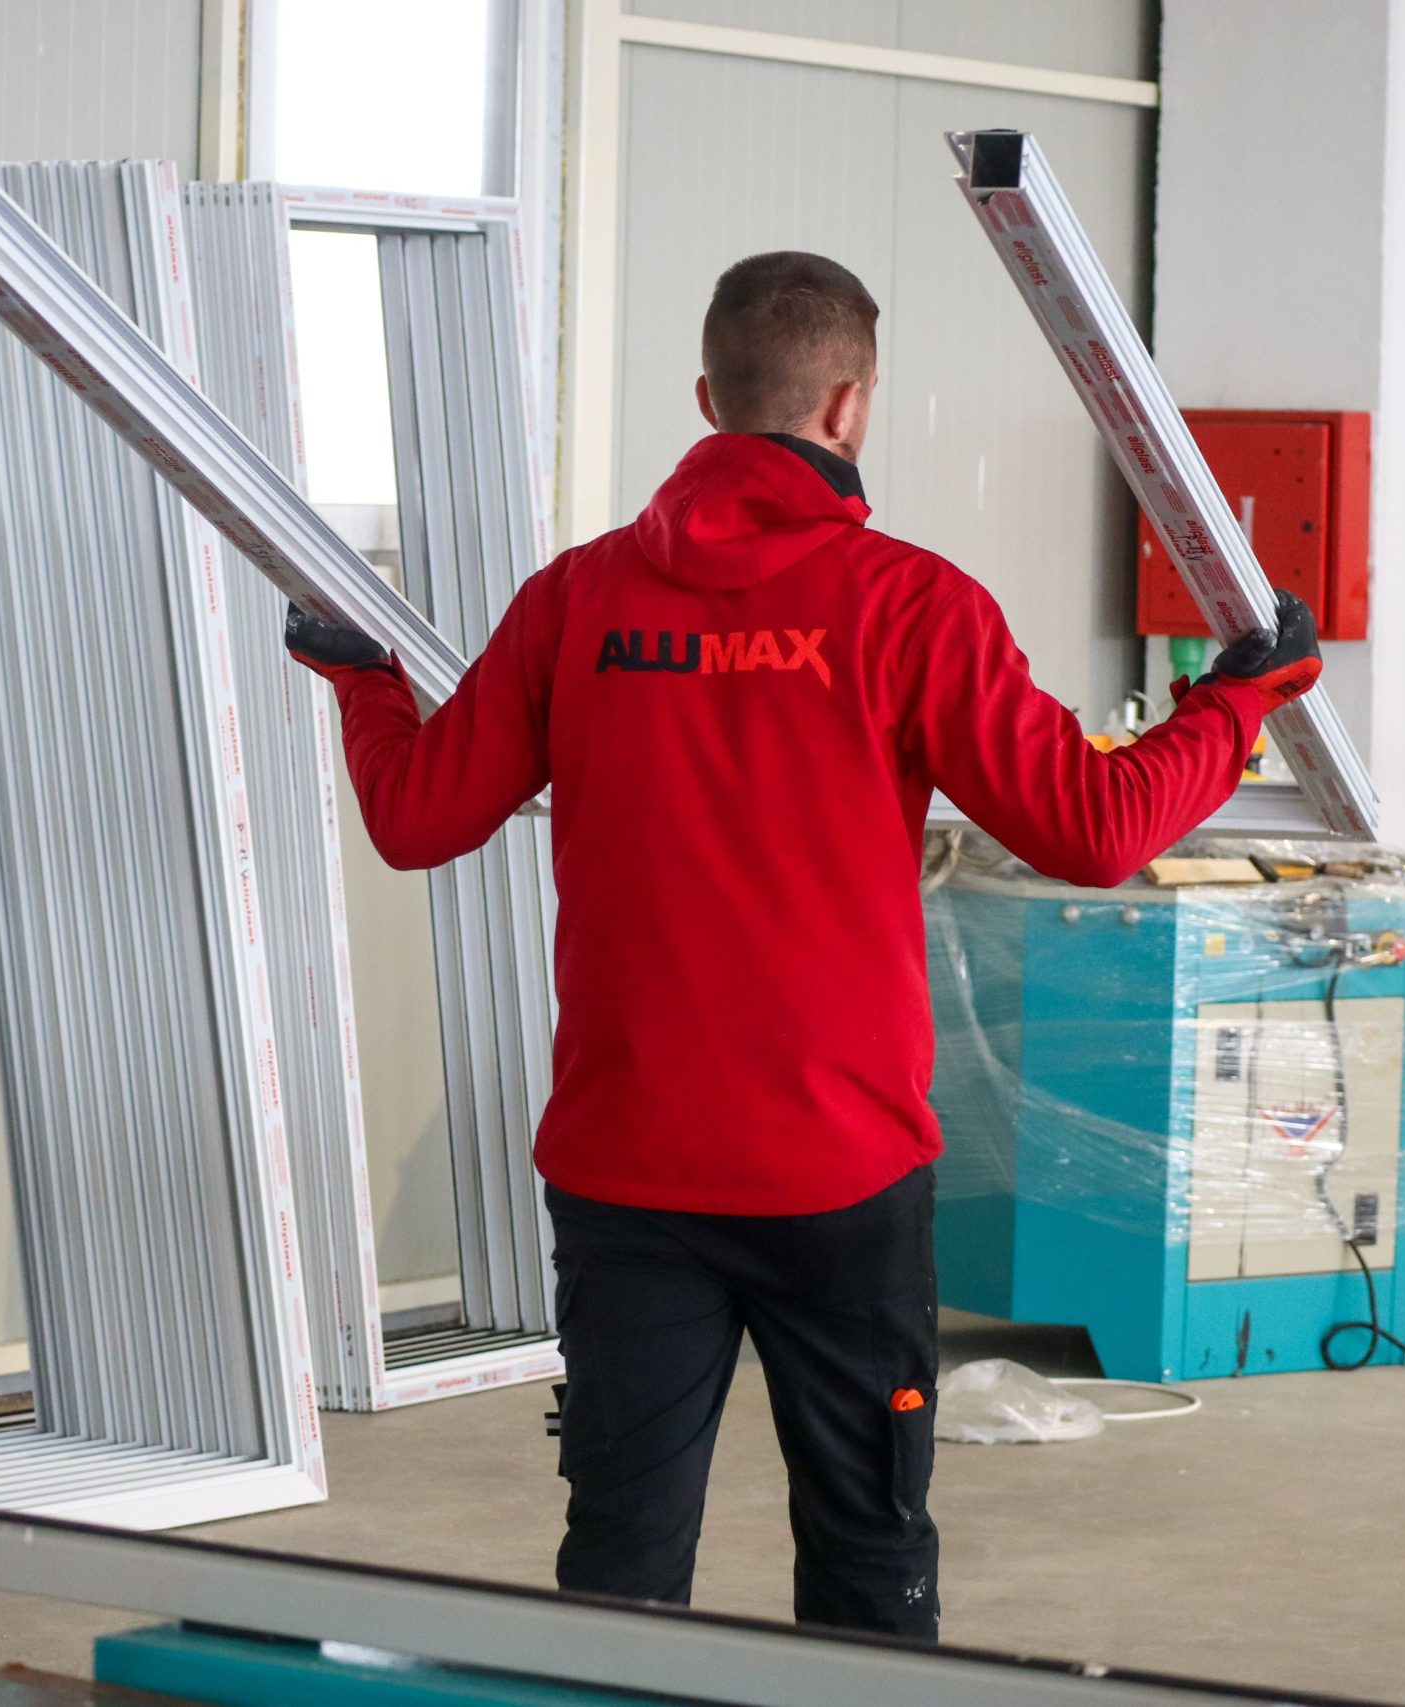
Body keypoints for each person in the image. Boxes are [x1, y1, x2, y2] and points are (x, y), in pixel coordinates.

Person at [285, 250, 1322, 1641]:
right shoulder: (910, 605)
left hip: (627, 1166)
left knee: (621, 1555)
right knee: (866, 1548)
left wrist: (364, 683)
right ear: (850, 406)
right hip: (840, 1171)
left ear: (708, 398)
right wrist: (1237, 703)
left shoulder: (578, 601)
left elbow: (416, 818)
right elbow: (1094, 827)